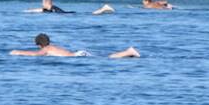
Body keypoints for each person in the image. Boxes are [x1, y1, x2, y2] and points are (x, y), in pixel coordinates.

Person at [9, 33, 140, 59]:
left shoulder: (46, 49)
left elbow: (35, 54)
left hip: (78, 55)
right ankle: (128, 54)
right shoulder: (52, 46)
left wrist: (17, 51)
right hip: (79, 53)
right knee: (106, 56)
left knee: (108, 58)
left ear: (39, 45)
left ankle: (129, 51)